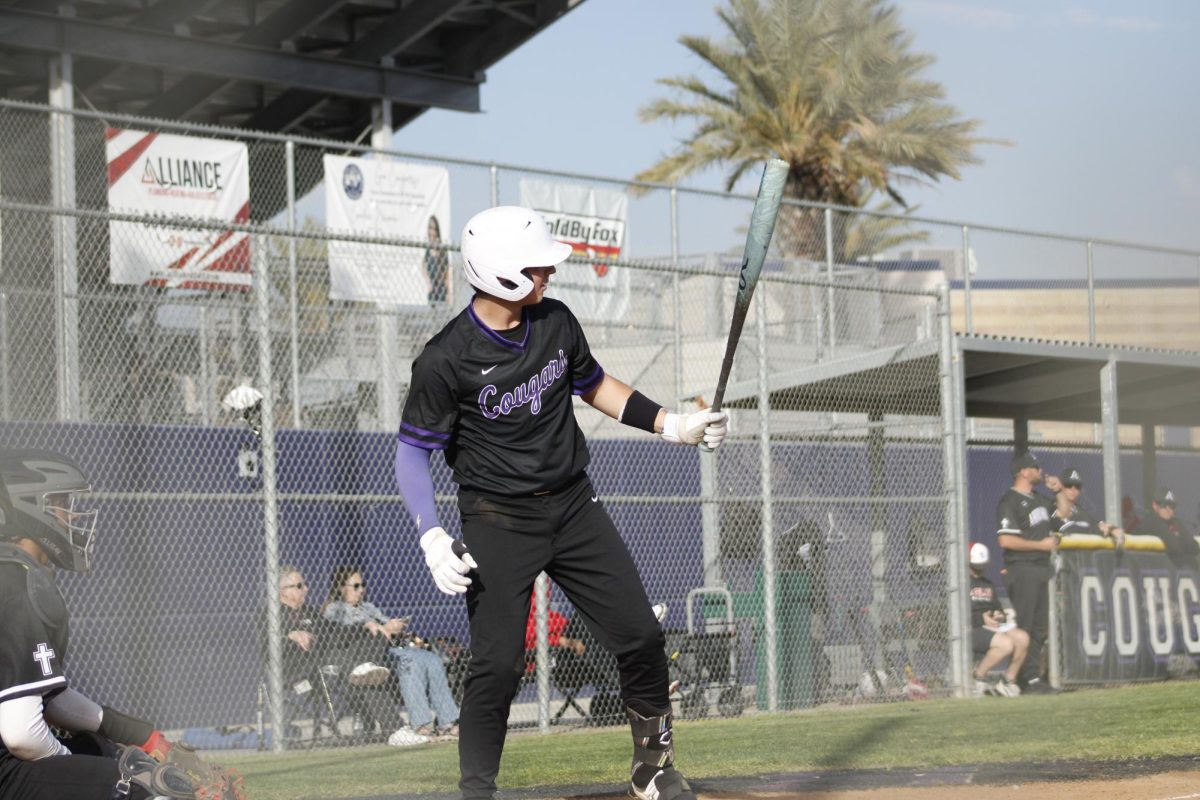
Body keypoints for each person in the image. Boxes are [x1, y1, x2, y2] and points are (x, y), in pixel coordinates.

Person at [394, 205, 728, 800]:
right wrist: (430, 533)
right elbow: (412, 452)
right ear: (500, 273)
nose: (549, 271)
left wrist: (673, 424)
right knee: (497, 666)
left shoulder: (555, 321)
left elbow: (594, 384)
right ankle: (477, 792)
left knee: (641, 637)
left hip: (573, 506)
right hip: (498, 518)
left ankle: (653, 768)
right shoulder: (444, 358)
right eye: (537, 264)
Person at [0, 449, 243, 800]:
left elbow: (45, 697)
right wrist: (85, 777)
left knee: (101, 750)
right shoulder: (18, 582)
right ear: (32, 507)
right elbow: (21, 733)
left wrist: (139, 735)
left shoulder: (11, 574)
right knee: (141, 786)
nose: (72, 516)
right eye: (63, 504)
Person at [323, 565, 460, 740]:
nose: (361, 590)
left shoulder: (368, 607)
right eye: (356, 586)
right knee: (409, 661)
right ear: (341, 588)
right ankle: (421, 726)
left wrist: (396, 626)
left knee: (432, 659)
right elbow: (343, 636)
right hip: (365, 657)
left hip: (389, 650)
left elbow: (386, 625)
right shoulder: (335, 609)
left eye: (362, 585)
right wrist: (379, 628)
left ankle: (447, 721)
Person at [263, 565, 392, 690]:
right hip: (299, 667)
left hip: (327, 658)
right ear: (283, 591)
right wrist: (288, 636)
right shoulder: (269, 614)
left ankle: (361, 669)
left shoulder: (309, 611)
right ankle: (359, 668)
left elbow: (334, 631)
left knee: (374, 633)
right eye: (299, 586)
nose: (306, 589)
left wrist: (364, 626)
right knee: (334, 654)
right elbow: (264, 646)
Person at [994, 451, 1058, 694]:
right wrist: (1040, 546)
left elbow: (1061, 517)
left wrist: (1058, 491)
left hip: (1041, 568)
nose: (1040, 471)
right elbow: (1006, 541)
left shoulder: (1040, 500)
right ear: (1023, 472)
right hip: (1022, 568)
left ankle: (1031, 677)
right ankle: (1023, 678)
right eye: (1035, 467)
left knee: (1040, 627)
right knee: (1027, 625)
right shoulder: (1009, 501)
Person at [968, 543, 1027, 698]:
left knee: (1022, 638)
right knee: (1006, 644)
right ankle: (977, 678)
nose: (979, 570)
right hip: (971, 628)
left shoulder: (988, 584)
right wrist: (981, 618)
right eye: (975, 566)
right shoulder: (960, 584)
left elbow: (998, 609)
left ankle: (1008, 682)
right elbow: (956, 616)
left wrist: (998, 616)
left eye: (981, 566)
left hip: (992, 626)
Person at [1048, 466, 1125, 544]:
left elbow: (1098, 524)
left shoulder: (1079, 511)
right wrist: (1098, 531)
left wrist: (1112, 529)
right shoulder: (1052, 507)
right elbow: (1069, 529)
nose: (1073, 489)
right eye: (1069, 485)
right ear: (1061, 486)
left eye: (1077, 486)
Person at [1137, 488, 1199, 570]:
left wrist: (1179, 536)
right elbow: (1175, 547)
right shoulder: (1150, 522)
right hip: (1149, 573)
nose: (1168, 509)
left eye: (1172, 506)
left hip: (1171, 574)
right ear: (1155, 505)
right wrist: (1180, 537)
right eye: (1163, 505)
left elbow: (1194, 547)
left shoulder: (1175, 523)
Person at [426, 215, 450, 304]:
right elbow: (423, 266)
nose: (432, 232)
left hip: (441, 291)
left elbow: (446, 274)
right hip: (431, 292)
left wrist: (448, 294)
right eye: (430, 229)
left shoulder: (442, 250)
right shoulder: (428, 250)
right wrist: (428, 282)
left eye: (434, 229)